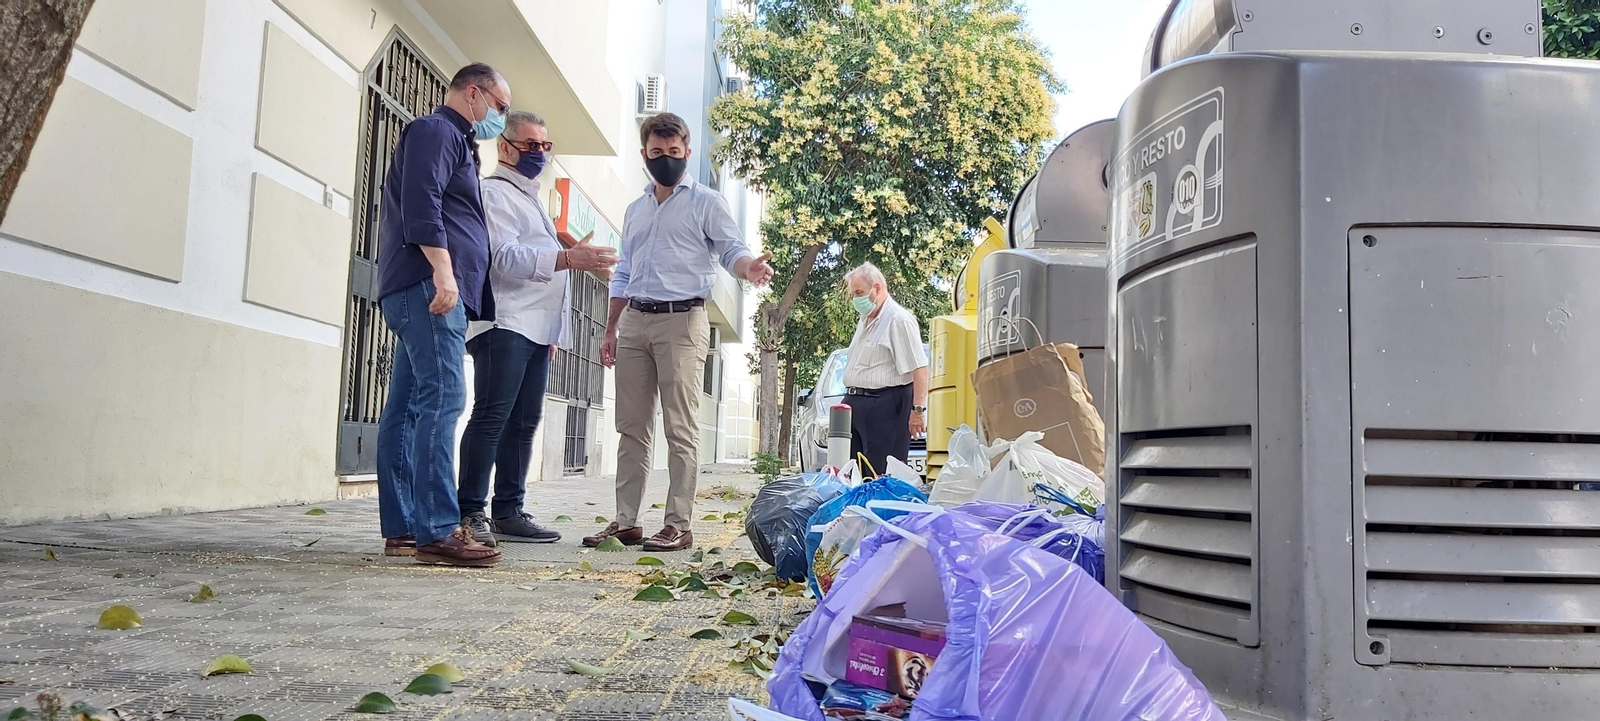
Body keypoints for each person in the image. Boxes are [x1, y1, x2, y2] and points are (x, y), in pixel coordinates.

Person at [585, 112, 774, 552]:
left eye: (673, 152)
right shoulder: (635, 209)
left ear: (687, 153)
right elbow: (624, 271)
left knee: (680, 426)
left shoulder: (706, 201)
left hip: (682, 321)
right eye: (656, 153)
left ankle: (678, 524)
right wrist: (611, 328)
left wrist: (751, 268)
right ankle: (626, 520)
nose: (665, 159)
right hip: (634, 320)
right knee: (631, 426)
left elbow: (732, 250)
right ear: (644, 154)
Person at [457, 111, 618, 547]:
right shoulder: (494, 194)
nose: (539, 154)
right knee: (492, 417)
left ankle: (508, 509)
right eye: (530, 145)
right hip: (505, 322)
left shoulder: (531, 197)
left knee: (524, 422)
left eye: (545, 147)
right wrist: (567, 259)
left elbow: (553, 279)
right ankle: (471, 510)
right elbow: (502, 257)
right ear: (505, 147)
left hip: (536, 330)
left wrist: (554, 333)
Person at [373, 62, 510, 567]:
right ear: (473, 93)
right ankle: (436, 530)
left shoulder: (454, 141)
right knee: (445, 398)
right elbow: (422, 202)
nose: (500, 117)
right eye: (499, 106)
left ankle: (405, 526)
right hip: (428, 286)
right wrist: (445, 272)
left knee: (409, 406)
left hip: (418, 287)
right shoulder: (436, 130)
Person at [840, 263, 929, 477]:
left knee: (880, 475)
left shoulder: (898, 320)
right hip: (856, 403)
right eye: (853, 294)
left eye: (859, 293)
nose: (855, 300)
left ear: (877, 289)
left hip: (884, 406)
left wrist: (918, 412)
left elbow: (920, 367)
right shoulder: (865, 320)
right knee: (853, 475)